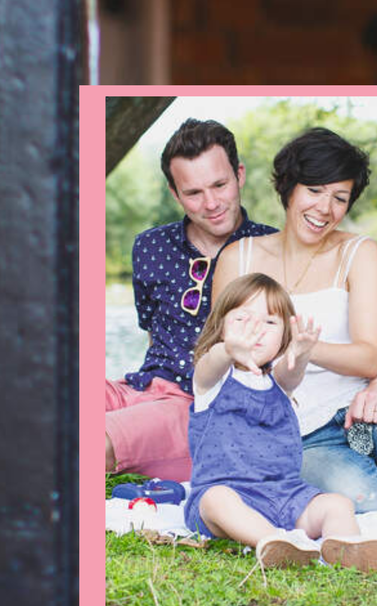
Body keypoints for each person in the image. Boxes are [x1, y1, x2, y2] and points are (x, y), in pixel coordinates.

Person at [211, 128, 377, 514]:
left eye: (339, 198)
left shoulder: (359, 252)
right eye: (314, 190)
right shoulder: (237, 259)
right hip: (301, 430)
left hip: (374, 402)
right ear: (289, 188)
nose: (325, 209)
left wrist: (295, 345)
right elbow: (224, 352)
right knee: (374, 502)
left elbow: (368, 358)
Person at [185, 272, 377, 572]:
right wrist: (228, 349)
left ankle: (347, 546)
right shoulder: (214, 380)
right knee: (215, 499)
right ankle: (274, 543)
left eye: (270, 323)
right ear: (221, 325)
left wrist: (300, 354)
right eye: (242, 319)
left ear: (283, 335)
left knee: (336, 504)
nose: (255, 330)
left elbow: (290, 375)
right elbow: (208, 365)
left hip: (284, 495)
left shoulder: (277, 385)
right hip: (229, 494)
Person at [106, 118, 277, 481]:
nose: (211, 203)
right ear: (174, 193)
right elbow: (152, 330)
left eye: (220, 184)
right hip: (140, 387)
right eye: (194, 193)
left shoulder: (272, 249)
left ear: (240, 175)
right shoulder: (150, 246)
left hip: (199, 404)